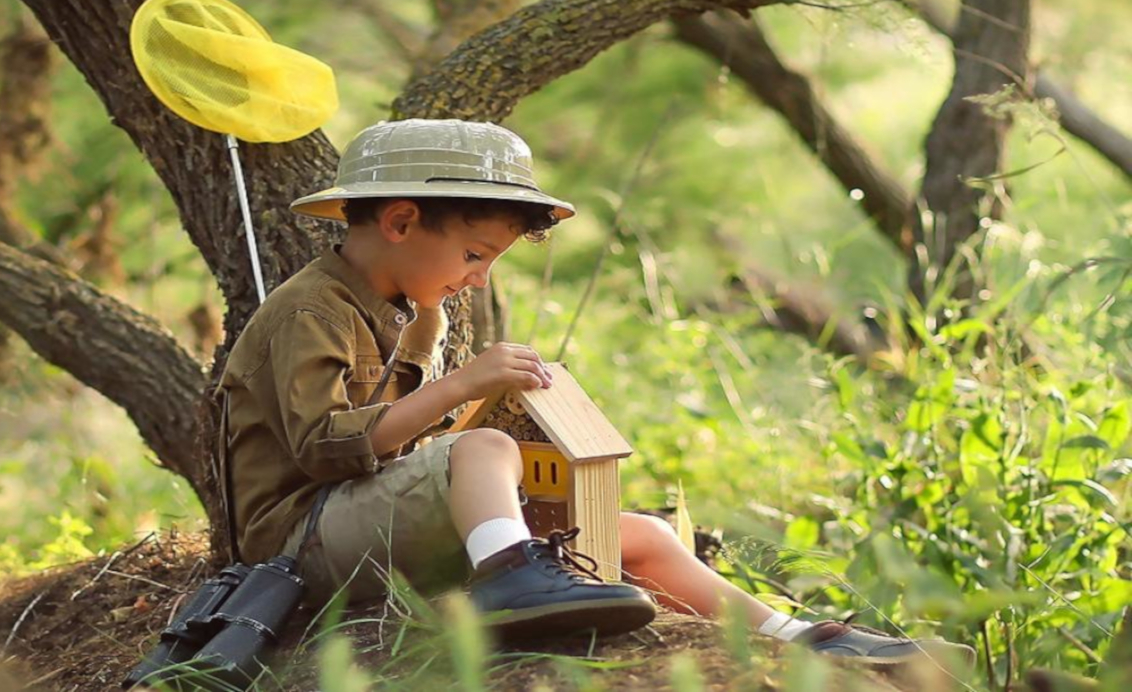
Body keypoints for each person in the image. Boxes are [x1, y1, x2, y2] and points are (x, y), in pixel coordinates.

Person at [218, 118, 974, 664]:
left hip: (366, 523)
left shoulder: (408, 310)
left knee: (636, 533)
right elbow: (324, 449)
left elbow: (405, 449)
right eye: (475, 255)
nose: (478, 279)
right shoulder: (311, 311)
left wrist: (439, 350)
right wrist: (462, 385)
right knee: (482, 446)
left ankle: (801, 638)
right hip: (298, 546)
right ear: (403, 220)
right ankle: (511, 579)